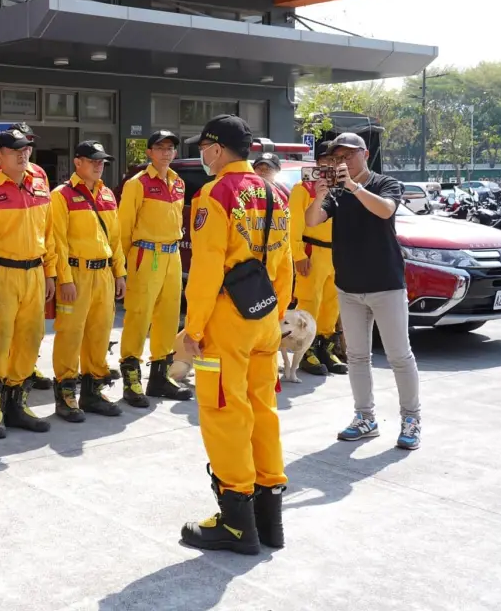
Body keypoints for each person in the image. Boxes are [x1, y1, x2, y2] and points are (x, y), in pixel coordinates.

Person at [176, 114, 293, 555]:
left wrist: (194, 328)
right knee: (263, 410)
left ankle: (237, 521)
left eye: (204, 149)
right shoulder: (273, 193)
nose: (202, 156)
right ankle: (269, 521)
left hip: (227, 321)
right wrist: (275, 315)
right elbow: (282, 265)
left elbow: (206, 271)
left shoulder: (215, 194)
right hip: (264, 320)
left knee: (224, 411)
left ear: (218, 149)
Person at [303, 132, 421, 450]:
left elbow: (385, 211)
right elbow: (311, 221)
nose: (343, 162)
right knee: (356, 356)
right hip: (349, 287)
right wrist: (319, 195)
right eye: (337, 157)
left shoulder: (385, 183)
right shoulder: (336, 193)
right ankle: (364, 417)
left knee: (399, 356)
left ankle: (411, 419)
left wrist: (354, 187)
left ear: (365, 154)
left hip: (386, 285)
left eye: (348, 155)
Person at [0, 128, 57, 437]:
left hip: (34, 274)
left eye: (26, 149)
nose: (23, 154)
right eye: (15, 150)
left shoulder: (41, 189)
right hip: (0, 275)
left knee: (30, 339)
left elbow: (50, 236)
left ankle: (16, 403)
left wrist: (50, 273)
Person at [49, 141, 126, 421]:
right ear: (77, 162)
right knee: (70, 334)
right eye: (93, 160)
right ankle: (66, 392)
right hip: (76, 274)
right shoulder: (62, 196)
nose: (98, 165)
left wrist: (121, 273)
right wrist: (65, 280)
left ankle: (93, 391)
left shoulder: (107, 194)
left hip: (103, 274)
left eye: (102, 161)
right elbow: (57, 241)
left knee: (99, 333)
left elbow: (115, 239)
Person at [117, 130, 192, 407]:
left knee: (169, 316)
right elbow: (123, 228)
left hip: (172, 255)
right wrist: (120, 268)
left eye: (171, 148)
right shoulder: (137, 183)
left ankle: (160, 376)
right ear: (149, 152)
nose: (166, 153)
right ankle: (131, 377)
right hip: (144, 255)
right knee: (139, 316)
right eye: (160, 148)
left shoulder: (178, 182)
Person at [289, 151, 346, 377]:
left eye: (335, 160)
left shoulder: (342, 189)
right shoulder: (303, 189)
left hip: (336, 253)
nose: (330, 165)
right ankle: (305, 350)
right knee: (309, 302)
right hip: (312, 250)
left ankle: (326, 347)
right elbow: (294, 223)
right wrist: (298, 255)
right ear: (317, 163)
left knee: (331, 304)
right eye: (326, 161)